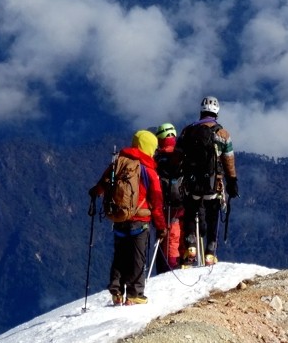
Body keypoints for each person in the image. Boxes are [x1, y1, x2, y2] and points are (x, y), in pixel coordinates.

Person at [89, 130, 166, 305]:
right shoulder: (149, 171)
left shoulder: (119, 163)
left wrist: (95, 193)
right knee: (137, 258)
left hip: (120, 218)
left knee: (120, 255)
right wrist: (161, 227)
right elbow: (157, 202)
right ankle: (135, 294)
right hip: (140, 221)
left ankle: (116, 291)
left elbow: (102, 184)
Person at [174, 96, 237, 267]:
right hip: (213, 185)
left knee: (190, 213)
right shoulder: (223, 134)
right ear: (217, 112)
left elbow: (177, 157)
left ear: (201, 111)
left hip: (192, 185)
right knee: (213, 216)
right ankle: (210, 253)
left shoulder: (187, 131)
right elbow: (228, 160)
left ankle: (191, 247)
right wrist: (232, 182)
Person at [152, 122, 183, 273]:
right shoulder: (181, 156)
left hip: (163, 205)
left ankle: (170, 266)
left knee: (169, 235)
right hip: (183, 203)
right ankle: (182, 260)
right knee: (178, 234)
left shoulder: (157, 159)